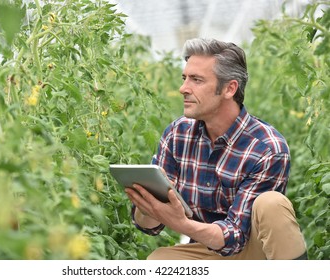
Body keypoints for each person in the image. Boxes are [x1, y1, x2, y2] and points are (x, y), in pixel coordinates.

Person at [125, 38, 307, 260]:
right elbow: (150, 227)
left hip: (256, 252)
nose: (183, 88)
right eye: (185, 78)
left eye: (197, 80)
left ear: (230, 88)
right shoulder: (177, 134)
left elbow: (236, 235)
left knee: (271, 204)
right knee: (159, 261)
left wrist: (182, 223)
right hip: (207, 248)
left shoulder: (267, 148)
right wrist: (147, 204)